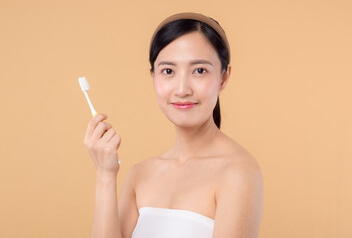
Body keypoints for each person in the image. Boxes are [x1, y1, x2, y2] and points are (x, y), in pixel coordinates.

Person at [83, 12, 264, 238]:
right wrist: (105, 174)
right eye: (168, 71)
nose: (182, 89)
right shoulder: (139, 175)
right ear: (153, 76)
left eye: (199, 70)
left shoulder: (238, 173)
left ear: (223, 77)